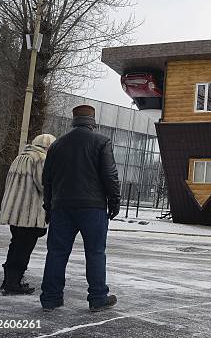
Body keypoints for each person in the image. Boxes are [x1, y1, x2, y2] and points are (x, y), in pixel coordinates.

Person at [40, 105, 121, 312]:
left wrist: (49, 206)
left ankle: (50, 298)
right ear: (92, 121)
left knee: (56, 253)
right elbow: (110, 175)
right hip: (92, 208)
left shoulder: (57, 145)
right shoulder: (101, 142)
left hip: (61, 207)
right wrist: (114, 201)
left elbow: (47, 179)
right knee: (95, 252)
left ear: (74, 120)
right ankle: (97, 298)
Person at [0, 134, 56, 295]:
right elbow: (43, 184)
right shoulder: (40, 158)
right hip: (29, 212)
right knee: (23, 248)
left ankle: (9, 280)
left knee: (15, 244)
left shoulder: (20, 157)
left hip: (14, 211)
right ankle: (13, 282)